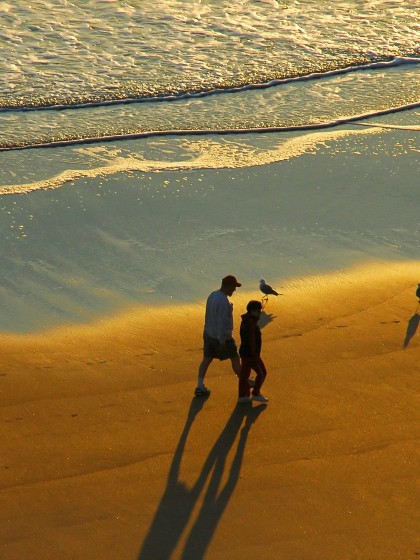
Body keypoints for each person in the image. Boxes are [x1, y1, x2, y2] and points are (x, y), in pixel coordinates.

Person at [195, 275, 242, 396]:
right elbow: (221, 323)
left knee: (207, 359)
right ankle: (245, 381)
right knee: (235, 358)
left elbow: (212, 313)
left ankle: (199, 386)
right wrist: (222, 341)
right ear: (227, 286)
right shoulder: (223, 302)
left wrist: (228, 310)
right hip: (221, 337)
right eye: (233, 287)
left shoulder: (213, 295)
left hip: (208, 333)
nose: (234, 290)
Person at [237, 300, 268, 404]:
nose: (260, 312)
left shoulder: (245, 320)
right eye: (258, 310)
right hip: (251, 354)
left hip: (244, 352)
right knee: (262, 373)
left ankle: (243, 396)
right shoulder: (251, 323)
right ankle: (255, 393)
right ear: (252, 311)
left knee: (244, 375)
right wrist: (255, 355)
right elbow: (252, 341)